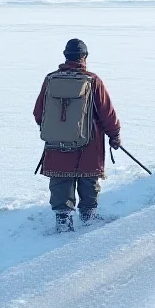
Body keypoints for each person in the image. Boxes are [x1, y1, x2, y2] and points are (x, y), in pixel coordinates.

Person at [33, 39, 122, 232]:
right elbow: (107, 112)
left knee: (60, 179)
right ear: (85, 57)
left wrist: (55, 129)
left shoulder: (50, 79)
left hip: (56, 142)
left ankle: (63, 220)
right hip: (89, 141)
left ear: (65, 55)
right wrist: (114, 135)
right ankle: (88, 216)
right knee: (87, 177)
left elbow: (38, 112)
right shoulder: (92, 80)